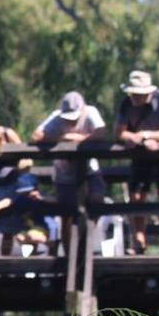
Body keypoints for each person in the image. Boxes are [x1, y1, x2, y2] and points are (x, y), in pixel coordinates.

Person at [114, 70, 159, 255]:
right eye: (132, 93)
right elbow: (119, 133)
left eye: (138, 94)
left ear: (148, 94)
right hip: (140, 154)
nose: (134, 97)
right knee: (136, 196)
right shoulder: (126, 104)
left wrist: (149, 136)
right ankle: (139, 242)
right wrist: (136, 138)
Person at [33, 90, 107, 249]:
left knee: (97, 198)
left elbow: (102, 132)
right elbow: (36, 136)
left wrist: (79, 139)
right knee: (66, 214)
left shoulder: (91, 113)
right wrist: (61, 139)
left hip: (89, 170)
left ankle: (86, 237)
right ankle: (68, 254)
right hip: (64, 173)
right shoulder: (56, 117)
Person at [0, 121, 50, 255]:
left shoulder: (8, 134)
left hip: (10, 184)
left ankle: (4, 261)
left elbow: (25, 155)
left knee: (9, 228)